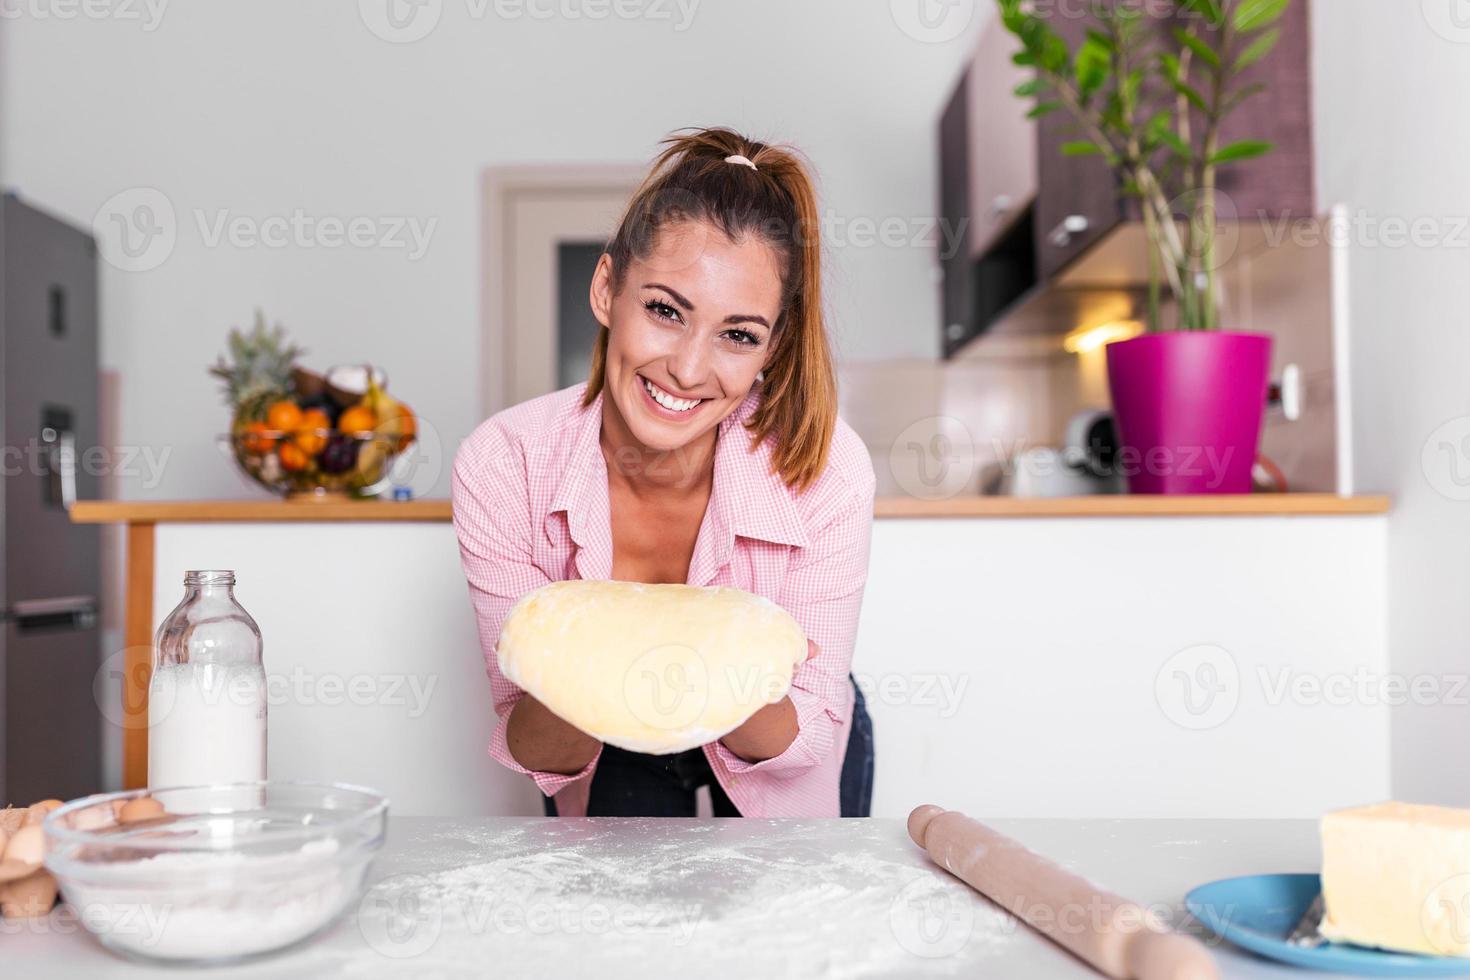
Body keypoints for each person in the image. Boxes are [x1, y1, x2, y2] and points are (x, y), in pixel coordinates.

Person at [452, 126, 875, 818]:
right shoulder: (504, 465)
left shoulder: (828, 469)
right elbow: (536, 749)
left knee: (784, 920)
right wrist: (724, 653)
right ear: (607, 288)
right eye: (664, 311)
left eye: (738, 335)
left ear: (772, 348)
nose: (686, 368)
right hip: (605, 746)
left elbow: (809, 724)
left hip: (775, 741)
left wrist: (593, 650)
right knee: (624, 918)